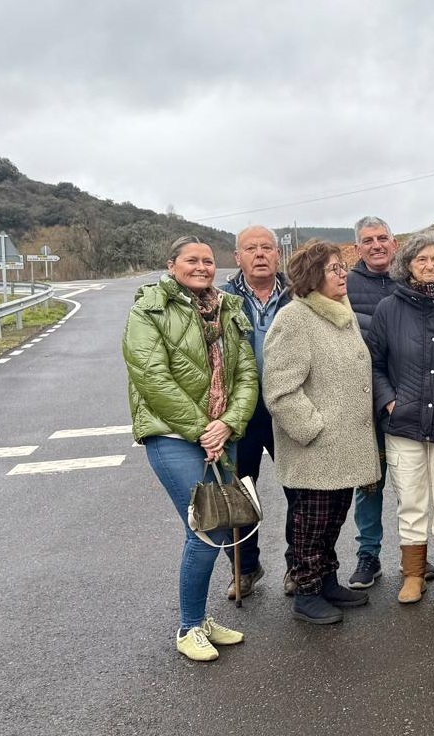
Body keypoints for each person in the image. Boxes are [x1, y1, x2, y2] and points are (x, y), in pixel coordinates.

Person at [125, 235, 258, 661]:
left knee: (212, 527)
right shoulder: (149, 309)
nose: (202, 267)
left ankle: (198, 619)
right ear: (171, 265)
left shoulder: (228, 309)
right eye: (191, 260)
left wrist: (229, 422)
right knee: (205, 530)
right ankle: (188, 628)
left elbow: (247, 375)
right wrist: (204, 429)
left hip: (220, 432)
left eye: (208, 261)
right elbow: (151, 376)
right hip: (172, 436)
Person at [263, 241, 382, 625]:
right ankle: (307, 591)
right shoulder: (295, 318)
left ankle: (327, 581)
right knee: (311, 524)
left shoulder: (339, 312)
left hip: (343, 445)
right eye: (333, 268)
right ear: (313, 276)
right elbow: (280, 390)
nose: (343, 273)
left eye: (342, 266)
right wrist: (313, 429)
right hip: (316, 448)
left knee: (333, 519)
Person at [368, 232, 434, 605]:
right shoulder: (388, 309)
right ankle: (413, 575)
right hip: (403, 424)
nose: (430, 265)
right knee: (411, 501)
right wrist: (390, 403)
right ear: (407, 265)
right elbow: (375, 364)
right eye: (421, 259)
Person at [218, 224, 297, 599]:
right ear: (238, 257)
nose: (260, 254)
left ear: (278, 254)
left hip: (288, 408)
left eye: (267, 247)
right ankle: (245, 568)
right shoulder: (221, 299)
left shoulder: (298, 294)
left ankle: (298, 564)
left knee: (300, 491)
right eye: (251, 248)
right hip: (241, 413)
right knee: (240, 493)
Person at [344, 215, 406, 590]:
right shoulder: (345, 285)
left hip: (409, 397)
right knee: (369, 483)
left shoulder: (410, 278)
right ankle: (368, 554)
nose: (377, 245)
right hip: (362, 402)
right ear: (357, 248)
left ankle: (415, 554)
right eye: (368, 240)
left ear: (394, 243)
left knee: (412, 482)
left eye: (382, 238)